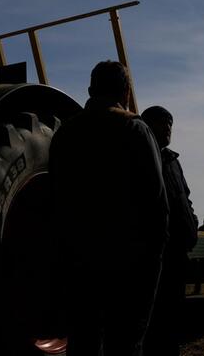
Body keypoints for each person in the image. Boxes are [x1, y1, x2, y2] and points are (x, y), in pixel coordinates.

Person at [50, 61, 168, 356]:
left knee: (83, 341)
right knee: (125, 343)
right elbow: (156, 204)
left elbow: (55, 197)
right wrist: (153, 259)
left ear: (90, 90)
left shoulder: (65, 133)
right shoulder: (134, 129)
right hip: (128, 264)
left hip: (79, 263)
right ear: (126, 92)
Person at [141, 105, 198, 356]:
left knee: (174, 312)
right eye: (162, 124)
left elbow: (184, 196)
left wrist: (192, 221)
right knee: (157, 316)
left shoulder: (173, 160)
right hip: (159, 253)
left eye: (170, 125)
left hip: (179, 250)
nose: (168, 129)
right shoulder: (142, 156)